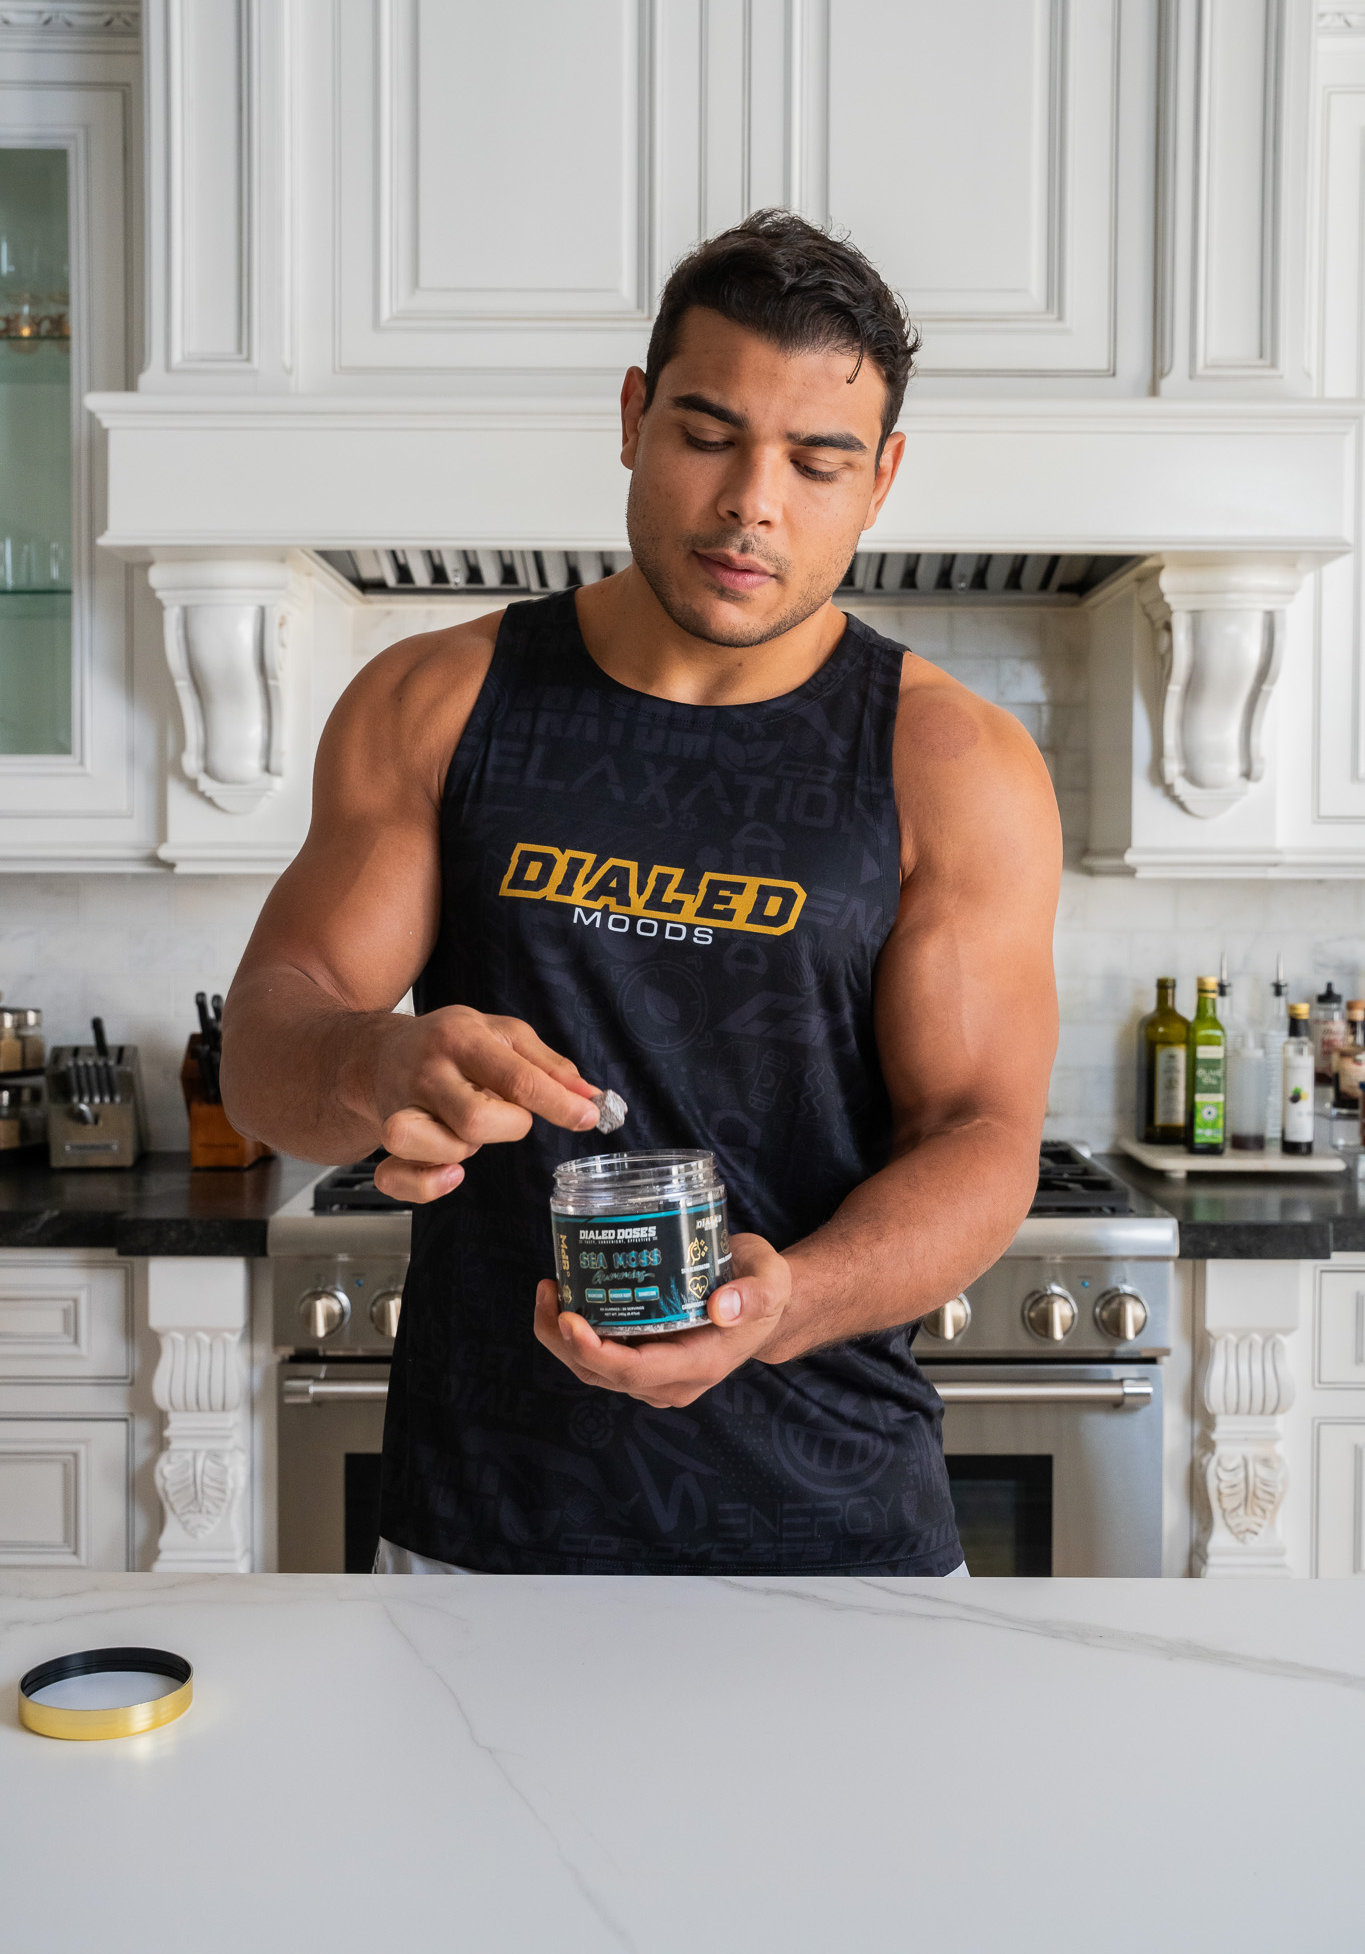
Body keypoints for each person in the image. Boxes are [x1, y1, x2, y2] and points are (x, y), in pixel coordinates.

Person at [222, 209, 1061, 1577]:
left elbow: (979, 1134)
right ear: (632, 415)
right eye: (707, 434)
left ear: (881, 480)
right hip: (482, 1531)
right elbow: (269, 1041)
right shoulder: (439, 700)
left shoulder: (951, 760)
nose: (751, 504)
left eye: (816, 460)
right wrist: (377, 1061)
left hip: (838, 1532)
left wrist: (786, 1302)